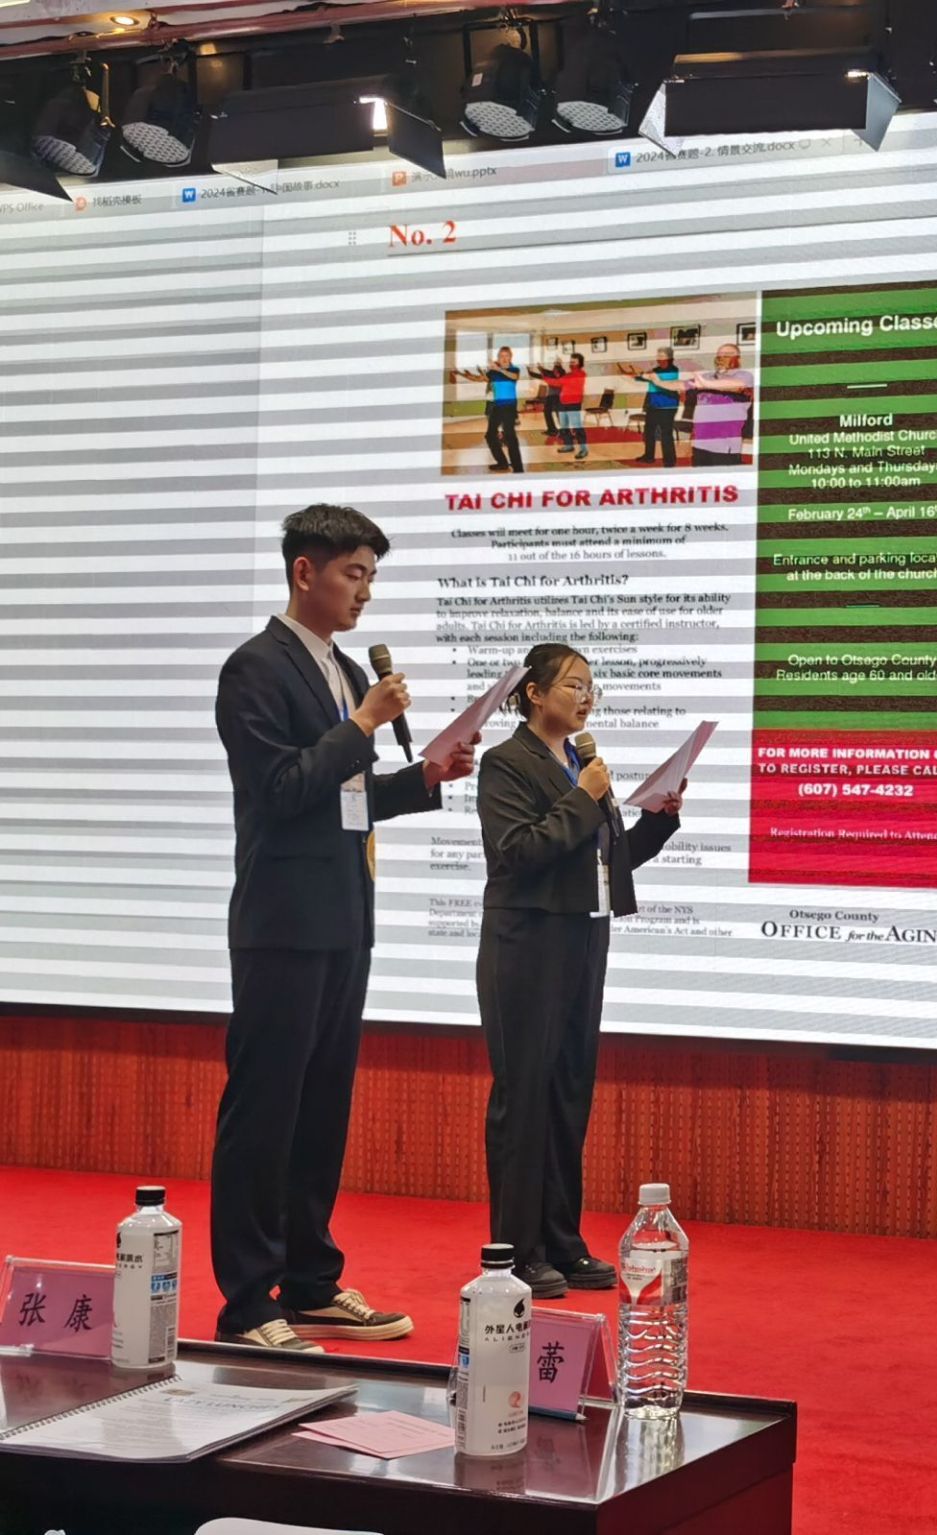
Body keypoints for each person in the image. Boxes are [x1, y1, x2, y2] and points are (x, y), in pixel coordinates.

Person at [213, 505, 480, 1351]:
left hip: (344, 917)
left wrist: (424, 777)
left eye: (371, 576)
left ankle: (311, 1282)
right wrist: (362, 725)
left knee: (322, 1107)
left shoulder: (342, 670)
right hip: (282, 921)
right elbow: (282, 789)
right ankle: (247, 1301)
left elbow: (346, 801)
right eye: (353, 573)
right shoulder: (255, 667)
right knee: (266, 1109)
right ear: (305, 572)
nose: (365, 592)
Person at [475, 644, 683, 1296]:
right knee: (525, 1099)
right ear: (534, 693)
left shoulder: (580, 762)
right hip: (525, 945)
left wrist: (657, 822)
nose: (586, 697)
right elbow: (519, 851)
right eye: (572, 684)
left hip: (583, 941)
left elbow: (605, 859)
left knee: (568, 1096)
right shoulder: (506, 762)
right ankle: (516, 1252)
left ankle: (562, 1245)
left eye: (592, 686)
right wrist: (586, 797)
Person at [454, 347, 524, 473]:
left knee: (510, 437)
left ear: (510, 357)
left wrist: (499, 369)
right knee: (490, 435)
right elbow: (479, 378)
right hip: (497, 407)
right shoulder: (493, 373)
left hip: (509, 407)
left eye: (506, 355)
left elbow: (514, 377)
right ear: (498, 358)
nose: (504, 358)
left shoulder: (514, 369)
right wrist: (462, 374)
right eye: (501, 356)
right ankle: (502, 463)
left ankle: (518, 469)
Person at [684, 344, 755, 467]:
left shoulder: (744, 376)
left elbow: (736, 385)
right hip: (700, 444)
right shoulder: (707, 377)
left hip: (724, 447)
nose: (721, 358)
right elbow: (679, 385)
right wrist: (657, 381)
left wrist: (705, 384)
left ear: (738, 359)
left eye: (727, 355)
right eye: (719, 355)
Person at [621, 347, 682, 467]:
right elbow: (645, 378)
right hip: (653, 405)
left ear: (669, 357)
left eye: (662, 356)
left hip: (667, 407)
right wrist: (632, 375)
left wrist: (643, 375)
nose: (659, 358)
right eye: (658, 356)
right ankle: (649, 457)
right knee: (648, 432)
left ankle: (669, 461)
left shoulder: (673, 370)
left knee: (666, 434)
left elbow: (654, 379)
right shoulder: (656, 370)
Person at [553, 352, 590, 461]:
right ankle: (569, 445)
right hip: (563, 402)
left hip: (574, 403)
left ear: (580, 363)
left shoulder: (581, 374)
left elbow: (559, 381)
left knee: (577, 426)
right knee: (563, 426)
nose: (572, 363)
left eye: (574, 361)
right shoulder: (569, 374)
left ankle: (584, 449)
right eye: (571, 361)